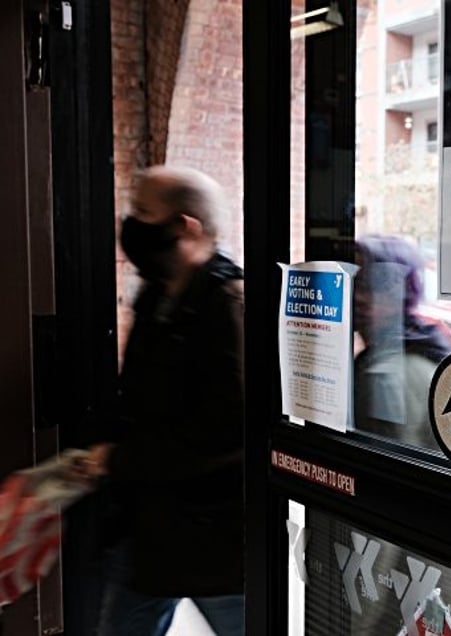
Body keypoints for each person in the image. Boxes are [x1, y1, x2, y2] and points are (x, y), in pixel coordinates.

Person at [84, 165, 245, 636]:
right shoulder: (156, 294)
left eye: (142, 213)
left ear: (185, 227)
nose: (130, 225)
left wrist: (120, 459)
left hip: (213, 539)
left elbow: (225, 431)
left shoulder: (229, 305)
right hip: (150, 532)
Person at [352, 234, 451, 451]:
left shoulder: (385, 375)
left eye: (367, 284)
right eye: (353, 282)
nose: (356, 296)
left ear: (400, 294)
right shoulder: (423, 346)